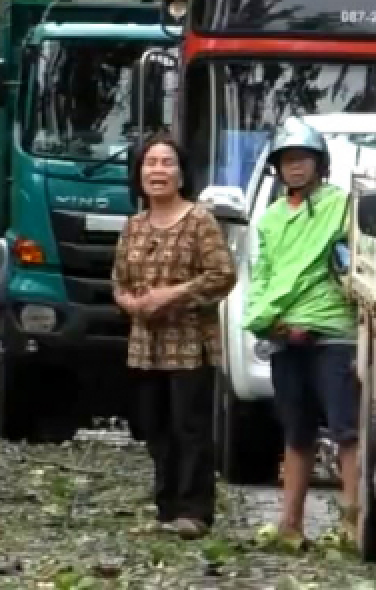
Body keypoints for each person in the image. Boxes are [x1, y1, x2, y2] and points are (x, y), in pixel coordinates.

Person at [242, 117, 360, 546]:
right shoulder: (270, 219)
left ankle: (353, 525)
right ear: (277, 167)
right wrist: (267, 321)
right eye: (288, 160)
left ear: (319, 164)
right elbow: (264, 276)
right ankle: (290, 525)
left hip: (332, 333)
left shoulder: (343, 206)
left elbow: (351, 266)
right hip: (281, 331)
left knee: (347, 431)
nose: (295, 167)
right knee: (295, 433)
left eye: (303, 159)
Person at [113, 133, 237, 540]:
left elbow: (223, 275)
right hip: (145, 347)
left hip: (189, 345)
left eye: (167, 163)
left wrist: (173, 295)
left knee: (190, 427)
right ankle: (165, 508)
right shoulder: (133, 226)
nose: (158, 171)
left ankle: (194, 510)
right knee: (155, 428)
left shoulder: (200, 221)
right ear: (139, 175)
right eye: (150, 163)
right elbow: (119, 282)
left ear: (181, 174)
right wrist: (132, 304)